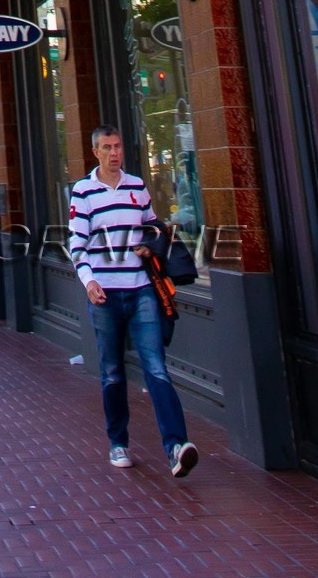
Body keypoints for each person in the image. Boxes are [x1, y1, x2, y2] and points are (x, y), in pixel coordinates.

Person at [71, 123, 198, 479]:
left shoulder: (137, 187)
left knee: (156, 367)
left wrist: (150, 243)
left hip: (141, 288)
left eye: (118, 146)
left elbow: (154, 227)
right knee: (112, 371)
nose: (115, 153)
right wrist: (89, 280)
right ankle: (118, 441)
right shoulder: (83, 193)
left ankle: (176, 445)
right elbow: (77, 244)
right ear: (95, 151)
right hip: (105, 294)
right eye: (107, 147)